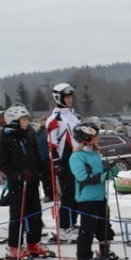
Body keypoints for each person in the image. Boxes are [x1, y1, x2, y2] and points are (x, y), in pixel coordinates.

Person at [0, 104, 50, 260]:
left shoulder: (30, 134)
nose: (27, 121)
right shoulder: (7, 138)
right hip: (18, 183)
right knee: (18, 214)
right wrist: (18, 175)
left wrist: (45, 168)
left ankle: (34, 242)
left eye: (27, 118)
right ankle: (15, 245)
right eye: (24, 119)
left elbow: (36, 154)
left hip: (33, 180)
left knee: (35, 212)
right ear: (14, 121)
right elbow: (4, 164)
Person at [69, 121, 119, 260]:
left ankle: (104, 250)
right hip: (87, 198)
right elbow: (82, 177)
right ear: (86, 138)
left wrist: (110, 171)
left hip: (100, 196)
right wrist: (101, 177)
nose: (97, 139)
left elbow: (101, 172)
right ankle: (83, 255)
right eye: (95, 136)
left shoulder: (96, 154)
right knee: (87, 228)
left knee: (104, 225)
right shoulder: (77, 157)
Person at [46, 83, 82, 241]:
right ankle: (63, 227)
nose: (70, 100)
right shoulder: (54, 119)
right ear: (59, 98)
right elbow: (51, 143)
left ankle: (73, 223)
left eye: (71, 96)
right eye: (67, 97)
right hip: (64, 161)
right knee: (68, 195)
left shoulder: (75, 116)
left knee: (77, 194)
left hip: (78, 159)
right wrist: (55, 163)